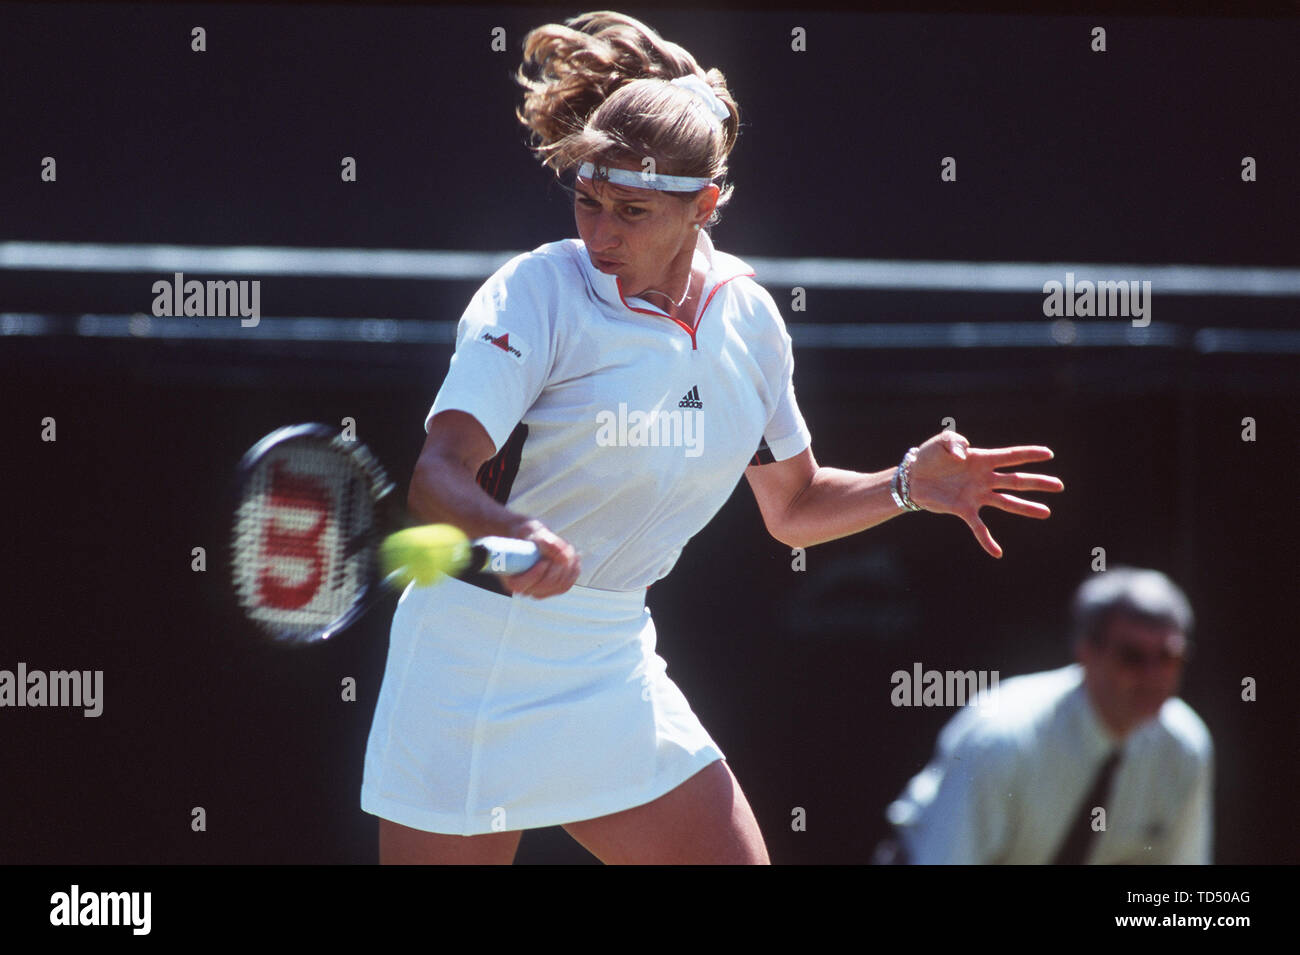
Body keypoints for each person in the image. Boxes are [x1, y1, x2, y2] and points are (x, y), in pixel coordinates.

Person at [360, 10, 1064, 864]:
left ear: (705, 204)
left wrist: (908, 483)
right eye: (588, 201)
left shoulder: (752, 323)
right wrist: (517, 531)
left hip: (612, 656)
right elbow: (438, 476)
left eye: (633, 210)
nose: (602, 232)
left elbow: (794, 505)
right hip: (471, 661)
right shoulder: (535, 294)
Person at [883, 567, 1213, 864]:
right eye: (1133, 656)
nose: (1153, 675)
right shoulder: (1004, 736)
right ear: (1087, 652)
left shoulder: (1185, 746)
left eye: (1169, 657)